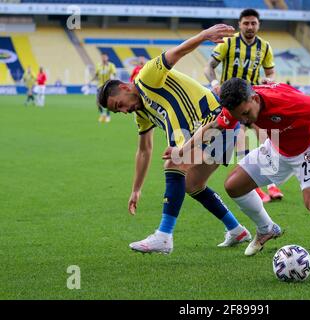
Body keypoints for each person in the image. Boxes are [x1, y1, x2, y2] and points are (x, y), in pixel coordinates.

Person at [174, 78, 310, 284]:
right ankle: (266, 229)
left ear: (254, 98)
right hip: (277, 149)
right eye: (240, 117)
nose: (245, 121)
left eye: (246, 114)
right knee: (234, 185)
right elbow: (214, 126)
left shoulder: (288, 102)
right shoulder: (239, 106)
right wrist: (183, 150)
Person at [96, 24, 251, 254]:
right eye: (119, 112)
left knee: (174, 163)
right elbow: (144, 150)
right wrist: (136, 189)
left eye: (120, 105)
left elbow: (177, 52)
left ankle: (164, 236)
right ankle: (237, 230)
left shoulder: (147, 76)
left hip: (215, 120)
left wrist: (204, 35)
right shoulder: (141, 113)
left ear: (124, 87)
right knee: (192, 184)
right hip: (205, 134)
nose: (124, 111)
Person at [204, 8, 283, 203]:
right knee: (242, 140)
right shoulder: (228, 43)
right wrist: (215, 84)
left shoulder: (265, 47)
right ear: (239, 24)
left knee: (267, 140)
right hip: (232, 103)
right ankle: (254, 188)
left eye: (253, 23)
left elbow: (271, 72)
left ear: (258, 25)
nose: (249, 26)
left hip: (254, 100)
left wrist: (268, 79)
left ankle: (272, 184)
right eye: (246, 23)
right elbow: (209, 67)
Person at [91, 53, 116, 123]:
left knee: (108, 102)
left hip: (108, 86)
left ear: (107, 57)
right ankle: (102, 114)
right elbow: (96, 75)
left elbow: (114, 73)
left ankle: (108, 115)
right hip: (100, 86)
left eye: (105, 57)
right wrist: (90, 81)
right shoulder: (98, 65)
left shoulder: (111, 65)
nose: (103, 58)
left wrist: (112, 78)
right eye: (102, 57)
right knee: (98, 101)